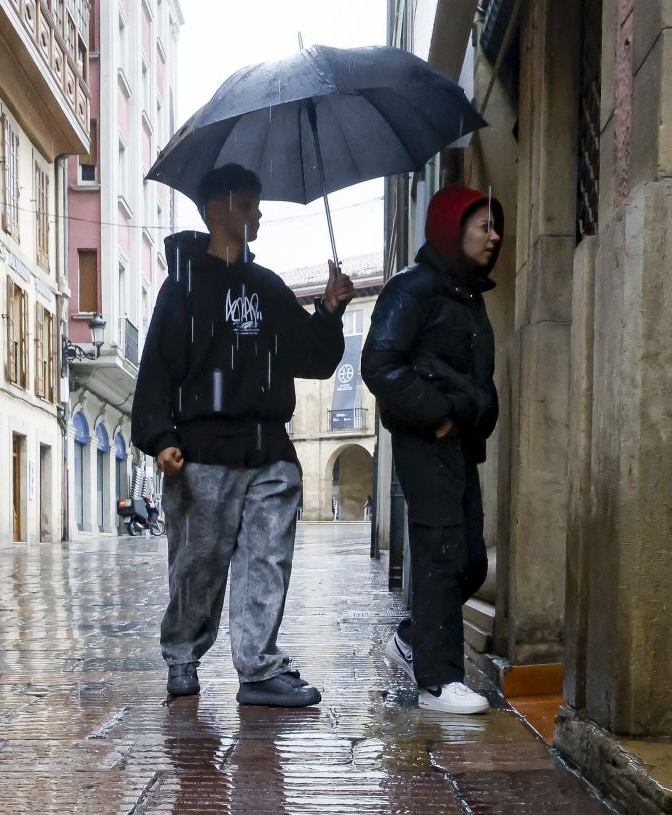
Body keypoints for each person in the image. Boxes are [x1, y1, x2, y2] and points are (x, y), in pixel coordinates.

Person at [132, 164, 356, 706]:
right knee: (197, 566)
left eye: (256, 203)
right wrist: (161, 437)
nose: (257, 214)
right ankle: (182, 656)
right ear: (217, 208)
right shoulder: (180, 288)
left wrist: (329, 309)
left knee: (267, 560)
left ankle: (258, 669)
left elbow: (313, 359)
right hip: (202, 453)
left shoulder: (269, 287)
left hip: (271, 450)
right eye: (247, 203)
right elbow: (156, 369)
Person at [361, 185, 504, 715]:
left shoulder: (468, 296)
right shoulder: (413, 289)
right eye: (482, 225)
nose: (494, 236)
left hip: (461, 446)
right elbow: (380, 365)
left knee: (467, 561)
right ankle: (438, 682)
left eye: (496, 227)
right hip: (428, 444)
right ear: (451, 228)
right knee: (443, 553)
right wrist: (438, 415)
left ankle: (412, 636)